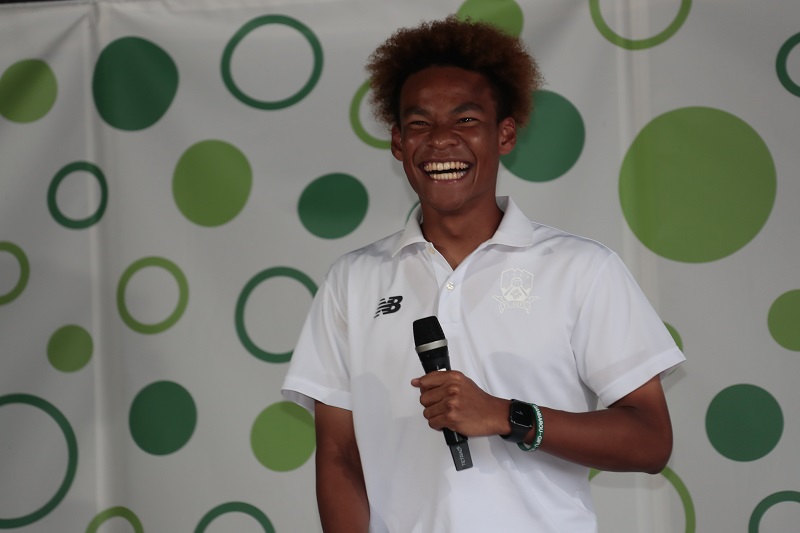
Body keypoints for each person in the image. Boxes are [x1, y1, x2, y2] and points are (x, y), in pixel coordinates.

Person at [282, 15, 685, 532]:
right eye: (420, 124)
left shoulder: (583, 269)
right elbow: (339, 455)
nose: (441, 140)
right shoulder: (352, 281)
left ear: (505, 134)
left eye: (466, 119)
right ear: (398, 143)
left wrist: (507, 415)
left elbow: (651, 441)